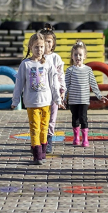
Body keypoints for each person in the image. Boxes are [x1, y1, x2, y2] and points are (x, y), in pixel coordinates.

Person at [12, 33, 64, 164]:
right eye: (36, 47)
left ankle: (43, 152)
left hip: (46, 102)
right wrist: (15, 100)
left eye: (41, 47)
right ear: (30, 47)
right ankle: (37, 155)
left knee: (44, 128)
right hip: (32, 103)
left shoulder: (48, 63)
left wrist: (57, 98)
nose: (39, 50)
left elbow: (54, 82)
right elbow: (19, 83)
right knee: (35, 128)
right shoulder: (25, 64)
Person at [65, 40, 108, 147]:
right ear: (72, 56)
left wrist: (99, 96)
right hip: (73, 101)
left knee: (83, 118)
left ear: (85, 56)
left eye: (80, 55)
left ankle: (85, 139)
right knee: (75, 118)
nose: (78, 57)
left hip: (84, 100)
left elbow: (93, 84)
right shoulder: (70, 70)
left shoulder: (88, 70)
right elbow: (66, 85)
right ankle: (76, 138)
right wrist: (64, 97)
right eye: (75, 55)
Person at [39, 23, 66, 154]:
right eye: (44, 41)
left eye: (49, 41)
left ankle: (48, 140)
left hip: (53, 94)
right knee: (39, 117)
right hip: (39, 94)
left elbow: (61, 75)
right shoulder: (36, 58)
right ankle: (38, 140)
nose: (47, 44)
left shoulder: (56, 58)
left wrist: (62, 91)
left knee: (52, 118)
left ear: (53, 43)